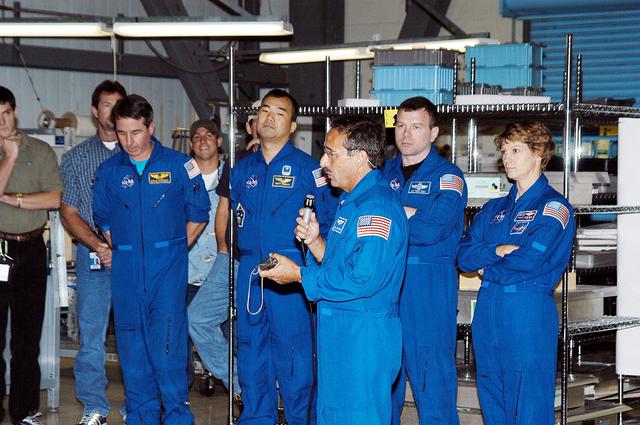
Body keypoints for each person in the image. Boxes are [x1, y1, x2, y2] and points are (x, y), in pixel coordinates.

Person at [260, 115, 408, 425]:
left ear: (360, 157)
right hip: (342, 334)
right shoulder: (352, 202)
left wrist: (299, 275)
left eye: (331, 153)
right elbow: (342, 265)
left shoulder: (376, 208)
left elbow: (361, 279)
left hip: (362, 338)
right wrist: (315, 242)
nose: (323, 160)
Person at [92, 94, 210, 425]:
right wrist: (128, 251)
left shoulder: (179, 165)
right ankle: (141, 418)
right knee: (132, 351)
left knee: (169, 348)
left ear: (151, 126)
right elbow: (103, 220)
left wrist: (174, 248)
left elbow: (199, 213)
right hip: (127, 272)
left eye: (136, 132)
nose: (129, 141)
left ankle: (176, 417)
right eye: (122, 133)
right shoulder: (108, 171)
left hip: (167, 271)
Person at [457, 121, 575, 425]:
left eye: (515, 150)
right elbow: (464, 256)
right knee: (492, 394)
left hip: (526, 311)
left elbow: (530, 260)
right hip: (488, 310)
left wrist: (489, 264)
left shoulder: (554, 208)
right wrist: (497, 251)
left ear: (539, 154)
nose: (506, 158)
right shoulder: (493, 209)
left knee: (529, 401)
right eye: (504, 151)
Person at [230, 89, 337, 425]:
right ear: (254, 120)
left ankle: (298, 420)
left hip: (291, 269)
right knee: (250, 355)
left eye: (279, 112)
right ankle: (255, 418)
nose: (270, 117)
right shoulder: (240, 169)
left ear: (293, 126)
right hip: (249, 268)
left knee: (295, 359)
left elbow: (331, 221)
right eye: (264, 110)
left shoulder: (311, 169)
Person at [382, 96, 467, 425]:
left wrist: (392, 215)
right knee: (384, 382)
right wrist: (410, 213)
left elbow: (434, 227)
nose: (406, 134)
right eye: (401, 126)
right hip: (387, 284)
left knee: (432, 383)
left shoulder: (448, 177)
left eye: (416, 127)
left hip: (427, 289)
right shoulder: (382, 174)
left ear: (433, 133)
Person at [59, 80, 127, 425]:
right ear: (94, 110)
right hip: (94, 258)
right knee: (92, 335)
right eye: (106, 105)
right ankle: (95, 406)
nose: (112, 112)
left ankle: (138, 404)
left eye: (119, 105)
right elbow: (68, 211)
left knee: (137, 332)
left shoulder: (143, 153)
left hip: (135, 258)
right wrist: (99, 246)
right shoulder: (76, 158)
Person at [0, 85, 63, 425]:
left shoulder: (39, 150)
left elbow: (54, 198)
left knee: (28, 334)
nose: (1, 120)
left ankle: (23, 409)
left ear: (15, 112)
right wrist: (8, 157)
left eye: (5, 112)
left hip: (32, 245)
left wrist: (14, 199)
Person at [185, 118, 241, 399]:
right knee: (183, 339)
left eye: (209, 135)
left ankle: (242, 391)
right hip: (188, 274)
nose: (203, 140)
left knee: (237, 340)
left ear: (220, 141)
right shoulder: (181, 177)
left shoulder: (236, 173)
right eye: (196, 136)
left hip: (224, 271)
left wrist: (222, 251)